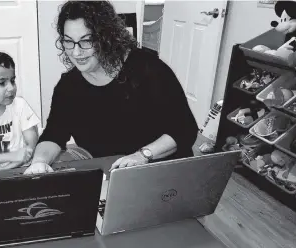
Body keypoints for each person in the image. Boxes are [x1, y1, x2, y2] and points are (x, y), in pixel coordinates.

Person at [24, 1, 198, 175]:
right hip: (112, 175)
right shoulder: (69, 87)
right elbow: (54, 134)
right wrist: (39, 162)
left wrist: (143, 155)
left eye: (86, 41)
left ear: (106, 38)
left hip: (162, 169)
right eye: (69, 42)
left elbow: (185, 129)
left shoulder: (148, 70)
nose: (76, 53)